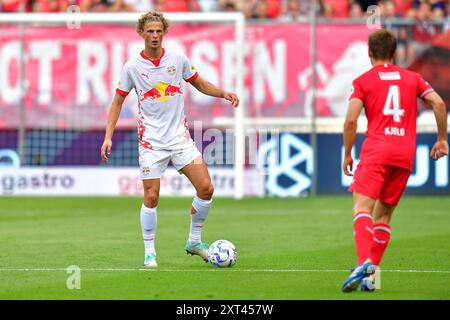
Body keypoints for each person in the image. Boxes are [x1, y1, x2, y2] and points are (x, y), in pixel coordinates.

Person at [100, 11, 239, 268]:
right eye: (150, 31)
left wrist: (222, 93)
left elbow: (199, 83)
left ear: (164, 33)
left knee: (206, 188)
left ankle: (194, 241)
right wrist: (108, 136)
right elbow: (117, 101)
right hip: (151, 142)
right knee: (151, 197)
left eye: (159, 31)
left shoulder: (178, 59)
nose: (155, 36)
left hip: (180, 138)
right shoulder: (132, 67)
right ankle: (150, 253)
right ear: (141, 33)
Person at [341, 29, 448, 292]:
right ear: (395, 52)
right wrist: (442, 139)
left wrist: (347, 153)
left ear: (369, 52)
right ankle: (370, 278)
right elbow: (438, 103)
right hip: (404, 154)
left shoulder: (363, 81)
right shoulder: (413, 78)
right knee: (384, 216)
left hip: (377, 150)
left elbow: (352, 120)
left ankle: (362, 263)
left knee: (362, 208)